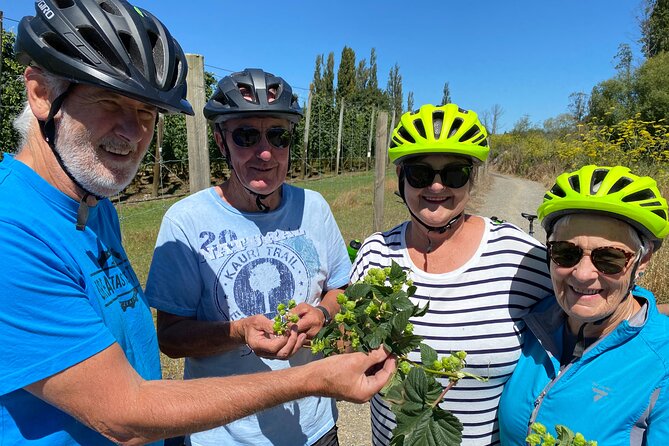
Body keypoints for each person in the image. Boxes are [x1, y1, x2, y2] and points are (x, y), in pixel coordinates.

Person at [0, 1, 395, 445]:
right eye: (109, 101)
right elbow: (124, 414)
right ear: (40, 94)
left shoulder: (93, 208)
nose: (132, 132)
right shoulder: (11, 232)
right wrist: (308, 376)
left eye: (147, 113)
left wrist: (322, 313)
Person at [143, 68, 350, 446]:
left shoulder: (314, 208)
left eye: (278, 135)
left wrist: (322, 314)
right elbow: (171, 337)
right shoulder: (186, 221)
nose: (265, 152)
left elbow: (339, 288)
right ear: (222, 143)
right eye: (246, 136)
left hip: (314, 429)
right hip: (225, 435)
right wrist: (238, 333)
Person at [351, 103, 554, 445]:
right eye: (419, 173)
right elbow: (349, 341)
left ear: (472, 179)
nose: (435, 186)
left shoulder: (520, 257)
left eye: (454, 173)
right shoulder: (375, 254)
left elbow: (592, 317)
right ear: (400, 179)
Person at [499, 165, 669, 445]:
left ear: (643, 261)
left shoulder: (661, 362)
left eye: (610, 258)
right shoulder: (534, 318)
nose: (582, 274)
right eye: (565, 252)